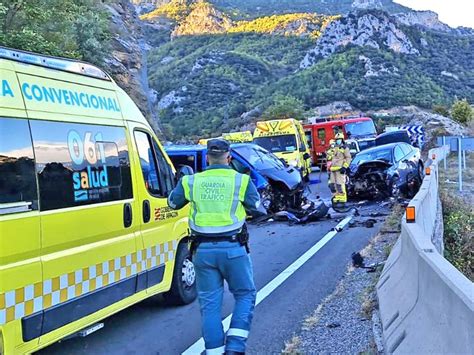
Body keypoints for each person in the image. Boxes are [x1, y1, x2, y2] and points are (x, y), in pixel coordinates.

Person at [168, 139, 263, 355]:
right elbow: (256, 206)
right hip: (233, 249)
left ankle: (214, 352)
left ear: (208, 158)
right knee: (245, 294)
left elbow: (173, 203)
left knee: (210, 304)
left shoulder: (191, 182)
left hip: (201, 251)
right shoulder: (241, 181)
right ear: (229, 158)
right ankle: (235, 348)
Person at [328, 132, 351, 206]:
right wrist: (327, 153)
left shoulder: (345, 148)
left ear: (342, 140)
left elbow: (348, 158)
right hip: (332, 169)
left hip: (340, 169)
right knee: (332, 185)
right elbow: (330, 157)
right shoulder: (334, 148)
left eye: (339, 139)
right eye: (337, 139)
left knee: (339, 185)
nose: (338, 140)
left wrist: (345, 167)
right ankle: (335, 197)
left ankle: (342, 199)